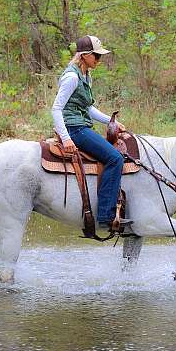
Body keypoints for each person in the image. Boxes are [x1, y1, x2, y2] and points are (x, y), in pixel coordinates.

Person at [51, 35, 133, 230]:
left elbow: (87, 108)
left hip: (81, 125)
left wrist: (111, 121)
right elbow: (56, 108)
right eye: (96, 56)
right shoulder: (72, 77)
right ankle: (106, 214)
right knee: (115, 158)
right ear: (85, 55)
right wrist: (66, 138)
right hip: (75, 129)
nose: (99, 59)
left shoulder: (86, 75)